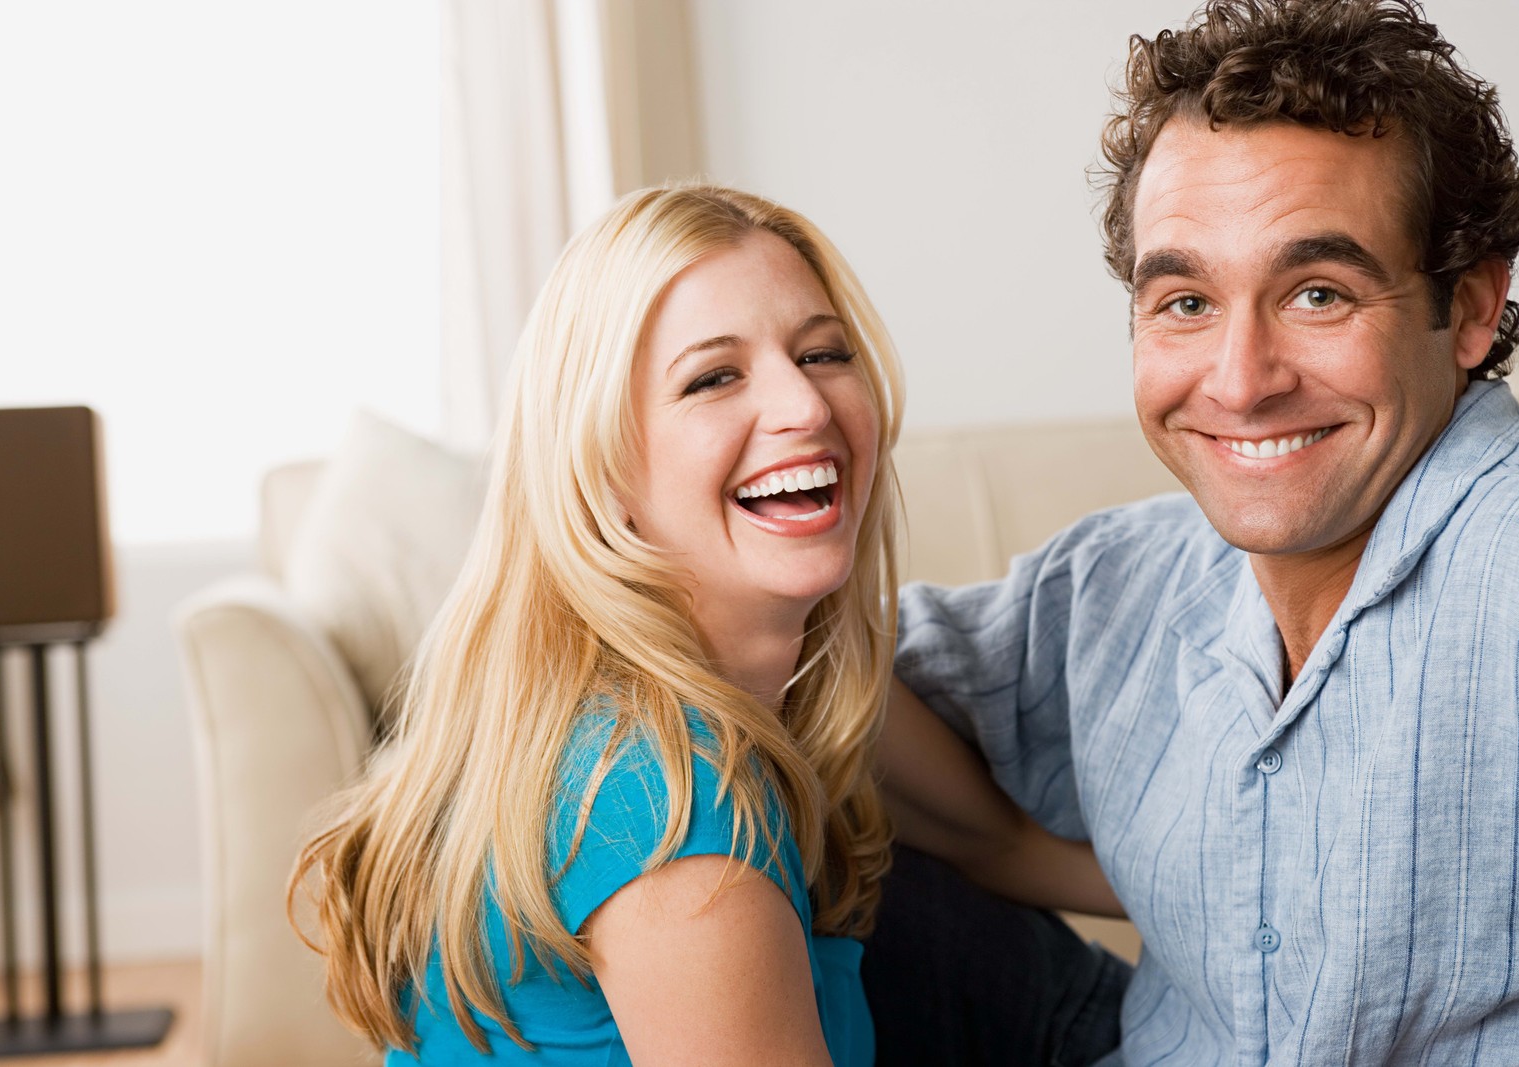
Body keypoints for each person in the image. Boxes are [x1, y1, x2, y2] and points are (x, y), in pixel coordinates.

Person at [289, 184, 1119, 1066]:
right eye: (713, 376)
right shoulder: (666, 798)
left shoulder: (791, 686)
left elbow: (990, 839)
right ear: (602, 468)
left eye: (824, 353)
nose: (804, 407)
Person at [883, 0, 1519, 1063]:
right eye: (1184, 301)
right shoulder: (1119, 580)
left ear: (1465, 309)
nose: (1239, 380)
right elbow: (828, 686)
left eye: (1316, 292)